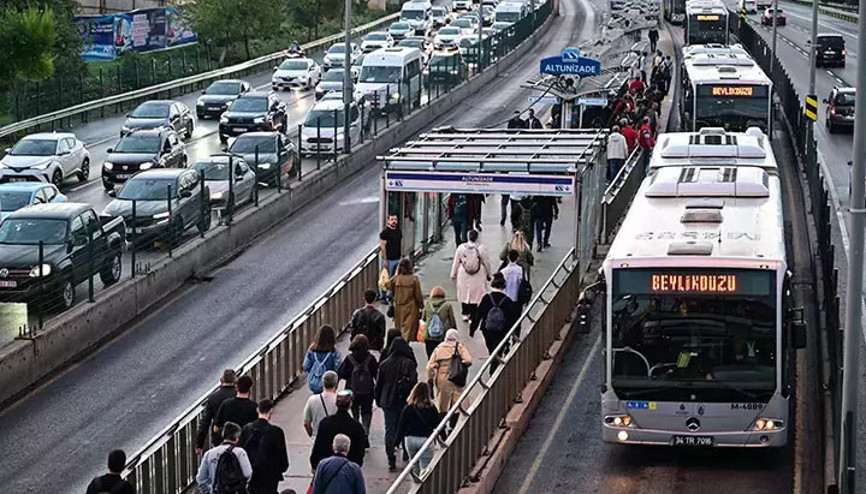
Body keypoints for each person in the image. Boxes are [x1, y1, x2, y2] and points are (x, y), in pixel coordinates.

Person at [375, 335, 418, 470]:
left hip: (388, 401)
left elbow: (379, 385)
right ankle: (405, 451)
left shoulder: (384, 364)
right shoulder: (409, 363)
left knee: (390, 429)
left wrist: (378, 400)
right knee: (405, 426)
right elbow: (414, 382)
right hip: (404, 400)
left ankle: (391, 457)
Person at [473, 273, 521, 373]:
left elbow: (478, 314)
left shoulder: (486, 298)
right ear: (504, 286)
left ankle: (494, 365)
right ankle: (494, 370)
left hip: (487, 329)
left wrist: (473, 328)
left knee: (491, 349)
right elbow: (512, 317)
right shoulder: (507, 300)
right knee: (498, 350)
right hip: (501, 330)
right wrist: (513, 332)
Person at [239, 399, 289, 494]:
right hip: (270, 475)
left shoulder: (247, 429)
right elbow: (282, 458)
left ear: (257, 410)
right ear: (271, 410)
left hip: (252, 474)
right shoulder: (276, 432)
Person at [310, 391, 368, 470]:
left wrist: (314, 465)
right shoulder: (356, 427)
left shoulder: (325, 423)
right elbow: (359, 453)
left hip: (327, 468)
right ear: (350, 404)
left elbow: (318, 446)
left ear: (336, 404)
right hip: (348, 469)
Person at [395, 382, 441, 478]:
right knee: (425, 467)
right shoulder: (431, 408)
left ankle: (415, 485)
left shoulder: (408, 408)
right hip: (426, 440)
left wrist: (396, 442)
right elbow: (437, 424)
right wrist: (444, 438)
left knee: (414, 465)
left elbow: (401, 426)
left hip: (410, 439)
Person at [338, 334, 379, 435]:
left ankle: (356, 432)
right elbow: (376, 374)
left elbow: (341, 373)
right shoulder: (371, 358)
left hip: (352, 391)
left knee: (354, 412)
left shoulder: (349, 359)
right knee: (366, 412)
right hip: (368, 392)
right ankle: (365, 432)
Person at [197, 422, 253, 494]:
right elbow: (247, 474)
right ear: (236, 438)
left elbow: (201, 478)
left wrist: (207, 491)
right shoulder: (240, 452)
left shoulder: (209, 454)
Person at [450, 229, 491, 324]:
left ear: (468, 237)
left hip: (463, 274)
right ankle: (473, 315)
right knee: (475, 295)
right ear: (477, 237)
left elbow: (456, 262)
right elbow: (486, 262)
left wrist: (453, 274)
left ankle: (465, 313)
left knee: (464, 293)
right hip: (478, 274)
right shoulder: (481, 248)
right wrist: (489, 274)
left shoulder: (461, 248)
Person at [426, 329, 472, 414]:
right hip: (456, 378)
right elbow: (468, 360)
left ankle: (443, 419)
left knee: (443, 403)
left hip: (442, 379)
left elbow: (429, 367)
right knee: (456, 403)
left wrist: (430, 380)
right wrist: (460, 363)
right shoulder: (460, 347)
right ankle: (454, 420)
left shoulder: (439, 349)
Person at [197, 369, 238, 453]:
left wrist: (199, 444)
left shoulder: (213, 397)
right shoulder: (238, 396)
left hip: (218, 438)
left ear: (222, 380)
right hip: (236, 437)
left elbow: (205, 422)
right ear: (235, 381)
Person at [391, 257, 424, 342]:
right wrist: (421, 305)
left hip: (398, 307)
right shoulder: (414, 279)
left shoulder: (395, 279)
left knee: (399, 327)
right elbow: (418, 295)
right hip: (411, 307)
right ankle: (405, 344)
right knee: (408, 329)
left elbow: (391, 292)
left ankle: (399, 343)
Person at [303, 325, 343, 394]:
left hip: (314, 383)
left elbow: (305, 366)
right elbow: (339, 368)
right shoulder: (334, 352)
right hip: (330, 384)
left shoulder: (312, 350)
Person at [421, 286, 457, 357]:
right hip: (442, 335)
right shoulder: (447, 306)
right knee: (442, 356)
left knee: (431, 357)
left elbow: (423, 318)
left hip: (429, 335)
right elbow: (452, 321)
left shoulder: (428, 305)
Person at [303, 370, 339, 438]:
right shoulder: (340, 400)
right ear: (336, 384)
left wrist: (312, 434)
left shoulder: (312, 400)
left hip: (318, 436)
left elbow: (306, 423)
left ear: (322, 384)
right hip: (335, 438)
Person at [379, 214, 402, 301]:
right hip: (389, 260)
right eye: (392, 219)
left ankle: (391, 295)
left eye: (395, 219)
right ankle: (384, 296)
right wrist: (385, 260)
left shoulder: (398, 231)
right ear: (388, 221)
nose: (394, 221)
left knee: (394, 278)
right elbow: (383, 247)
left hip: (397, 258)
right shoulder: (385, 233)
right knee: (386, 279)